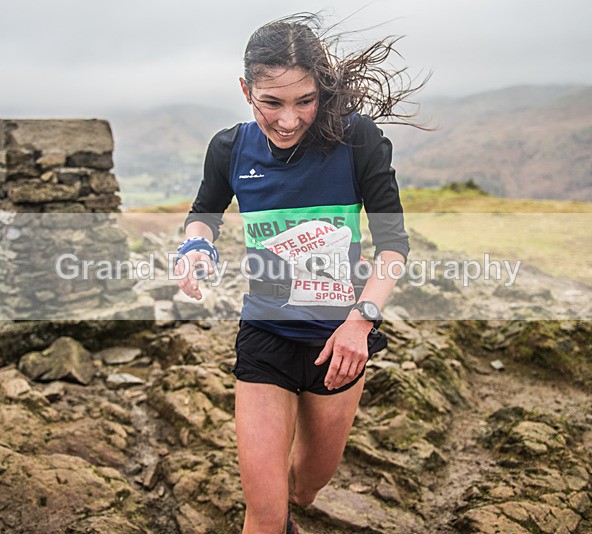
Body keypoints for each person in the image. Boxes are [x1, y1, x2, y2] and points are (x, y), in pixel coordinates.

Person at [175, 13, 427, 533]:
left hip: (340, 340)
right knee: (265, 515)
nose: (288, 119)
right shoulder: (230, 148)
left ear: (323, 89)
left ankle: (297, 498)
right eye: (271, 102)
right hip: (265, 336)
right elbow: (205, 213)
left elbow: (393, 246)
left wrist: (361, 322)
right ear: (246, 90)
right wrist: (194, 246)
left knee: (308, 483)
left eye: (304, 101)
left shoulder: (358, 139)